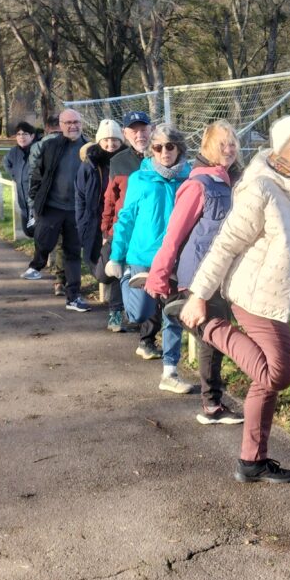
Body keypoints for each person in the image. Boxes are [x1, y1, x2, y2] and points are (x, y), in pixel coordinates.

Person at [177, 115, 290, 483]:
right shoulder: (262, 187)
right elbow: (225, 245)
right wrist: (199, 296)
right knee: (279, 372)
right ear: (280, 149)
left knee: (266, 380)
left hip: (277, 295)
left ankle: (252, 461)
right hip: (254, 293)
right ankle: (210, 328)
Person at [146, 120, 244, 425]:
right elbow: (174, 234)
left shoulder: (236, 181)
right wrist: (159, 274)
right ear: (207, 148)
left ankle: (212, 401)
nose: (227, 150)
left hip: (226, 274)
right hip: (199, 273)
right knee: (213, 338)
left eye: (232, 145)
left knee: (215, 337)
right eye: (221, 144)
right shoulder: (197, 184)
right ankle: (212, 404)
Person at [104, 123, 195, 394]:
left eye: (170, 146)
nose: (164, 152)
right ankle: (129, 282)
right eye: (158, 147)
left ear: (178, 148)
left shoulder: (191, 179)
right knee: (140, 312)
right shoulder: (140, 179)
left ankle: (170, 372)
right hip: (142, 257)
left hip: (177, 258)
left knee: (173, 314)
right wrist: (117, 256)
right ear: (151, 151)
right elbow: (126, 218)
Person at [21, 108, 90, 312]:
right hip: (51, 206)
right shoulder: (49, 146)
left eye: (76, 122)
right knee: (44, 240)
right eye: (68, 123)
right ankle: (36, 265)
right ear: (60, 126)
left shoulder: (89, 149)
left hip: (76, 210)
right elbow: (36, 175)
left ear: (81, 123)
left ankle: (74, 296)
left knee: (72, 253)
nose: (72, 126)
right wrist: (33, 202)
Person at [104, 111, 159, 344]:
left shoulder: (164, 156)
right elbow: (110, 198)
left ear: (151, 130)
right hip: (126, 231)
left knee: (153, 284)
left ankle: (147, 339)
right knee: (125, 279)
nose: (140, 134)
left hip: (152, 233)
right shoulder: (118, 161)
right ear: (125, 134)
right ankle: (118, 312)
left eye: (143, 129)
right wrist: (107, 231)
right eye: (134, 130)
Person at [75, 119, 125, 332]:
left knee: (112, 268)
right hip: (92, 220)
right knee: (95, 265)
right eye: (106, 140)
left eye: (115, 140)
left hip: (116, 224)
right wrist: (82, 222)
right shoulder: (89, 164)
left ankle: (116, 312)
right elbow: (79, 195)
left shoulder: (125, 162)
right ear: (99, 140)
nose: (110, 144)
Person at [29, 114, 68, 297]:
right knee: (64, 243)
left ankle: (39, 264)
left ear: (46, 129)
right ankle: (60, 280)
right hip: (67, 202)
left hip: (46, 202)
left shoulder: (38, 146)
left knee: (45, 236)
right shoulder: (73, 143)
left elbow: (34, 175)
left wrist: (33, 202)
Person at [2, 121, 36, 232]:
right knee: (28, 231)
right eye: (19, 134)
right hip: (22, 200)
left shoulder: (38, 151)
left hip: (36, 201)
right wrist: (16, 176)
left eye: (25, 134)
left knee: (38, 232)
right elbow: (6, 163)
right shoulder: (13, 152)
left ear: (32, 136)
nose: (21, 137)